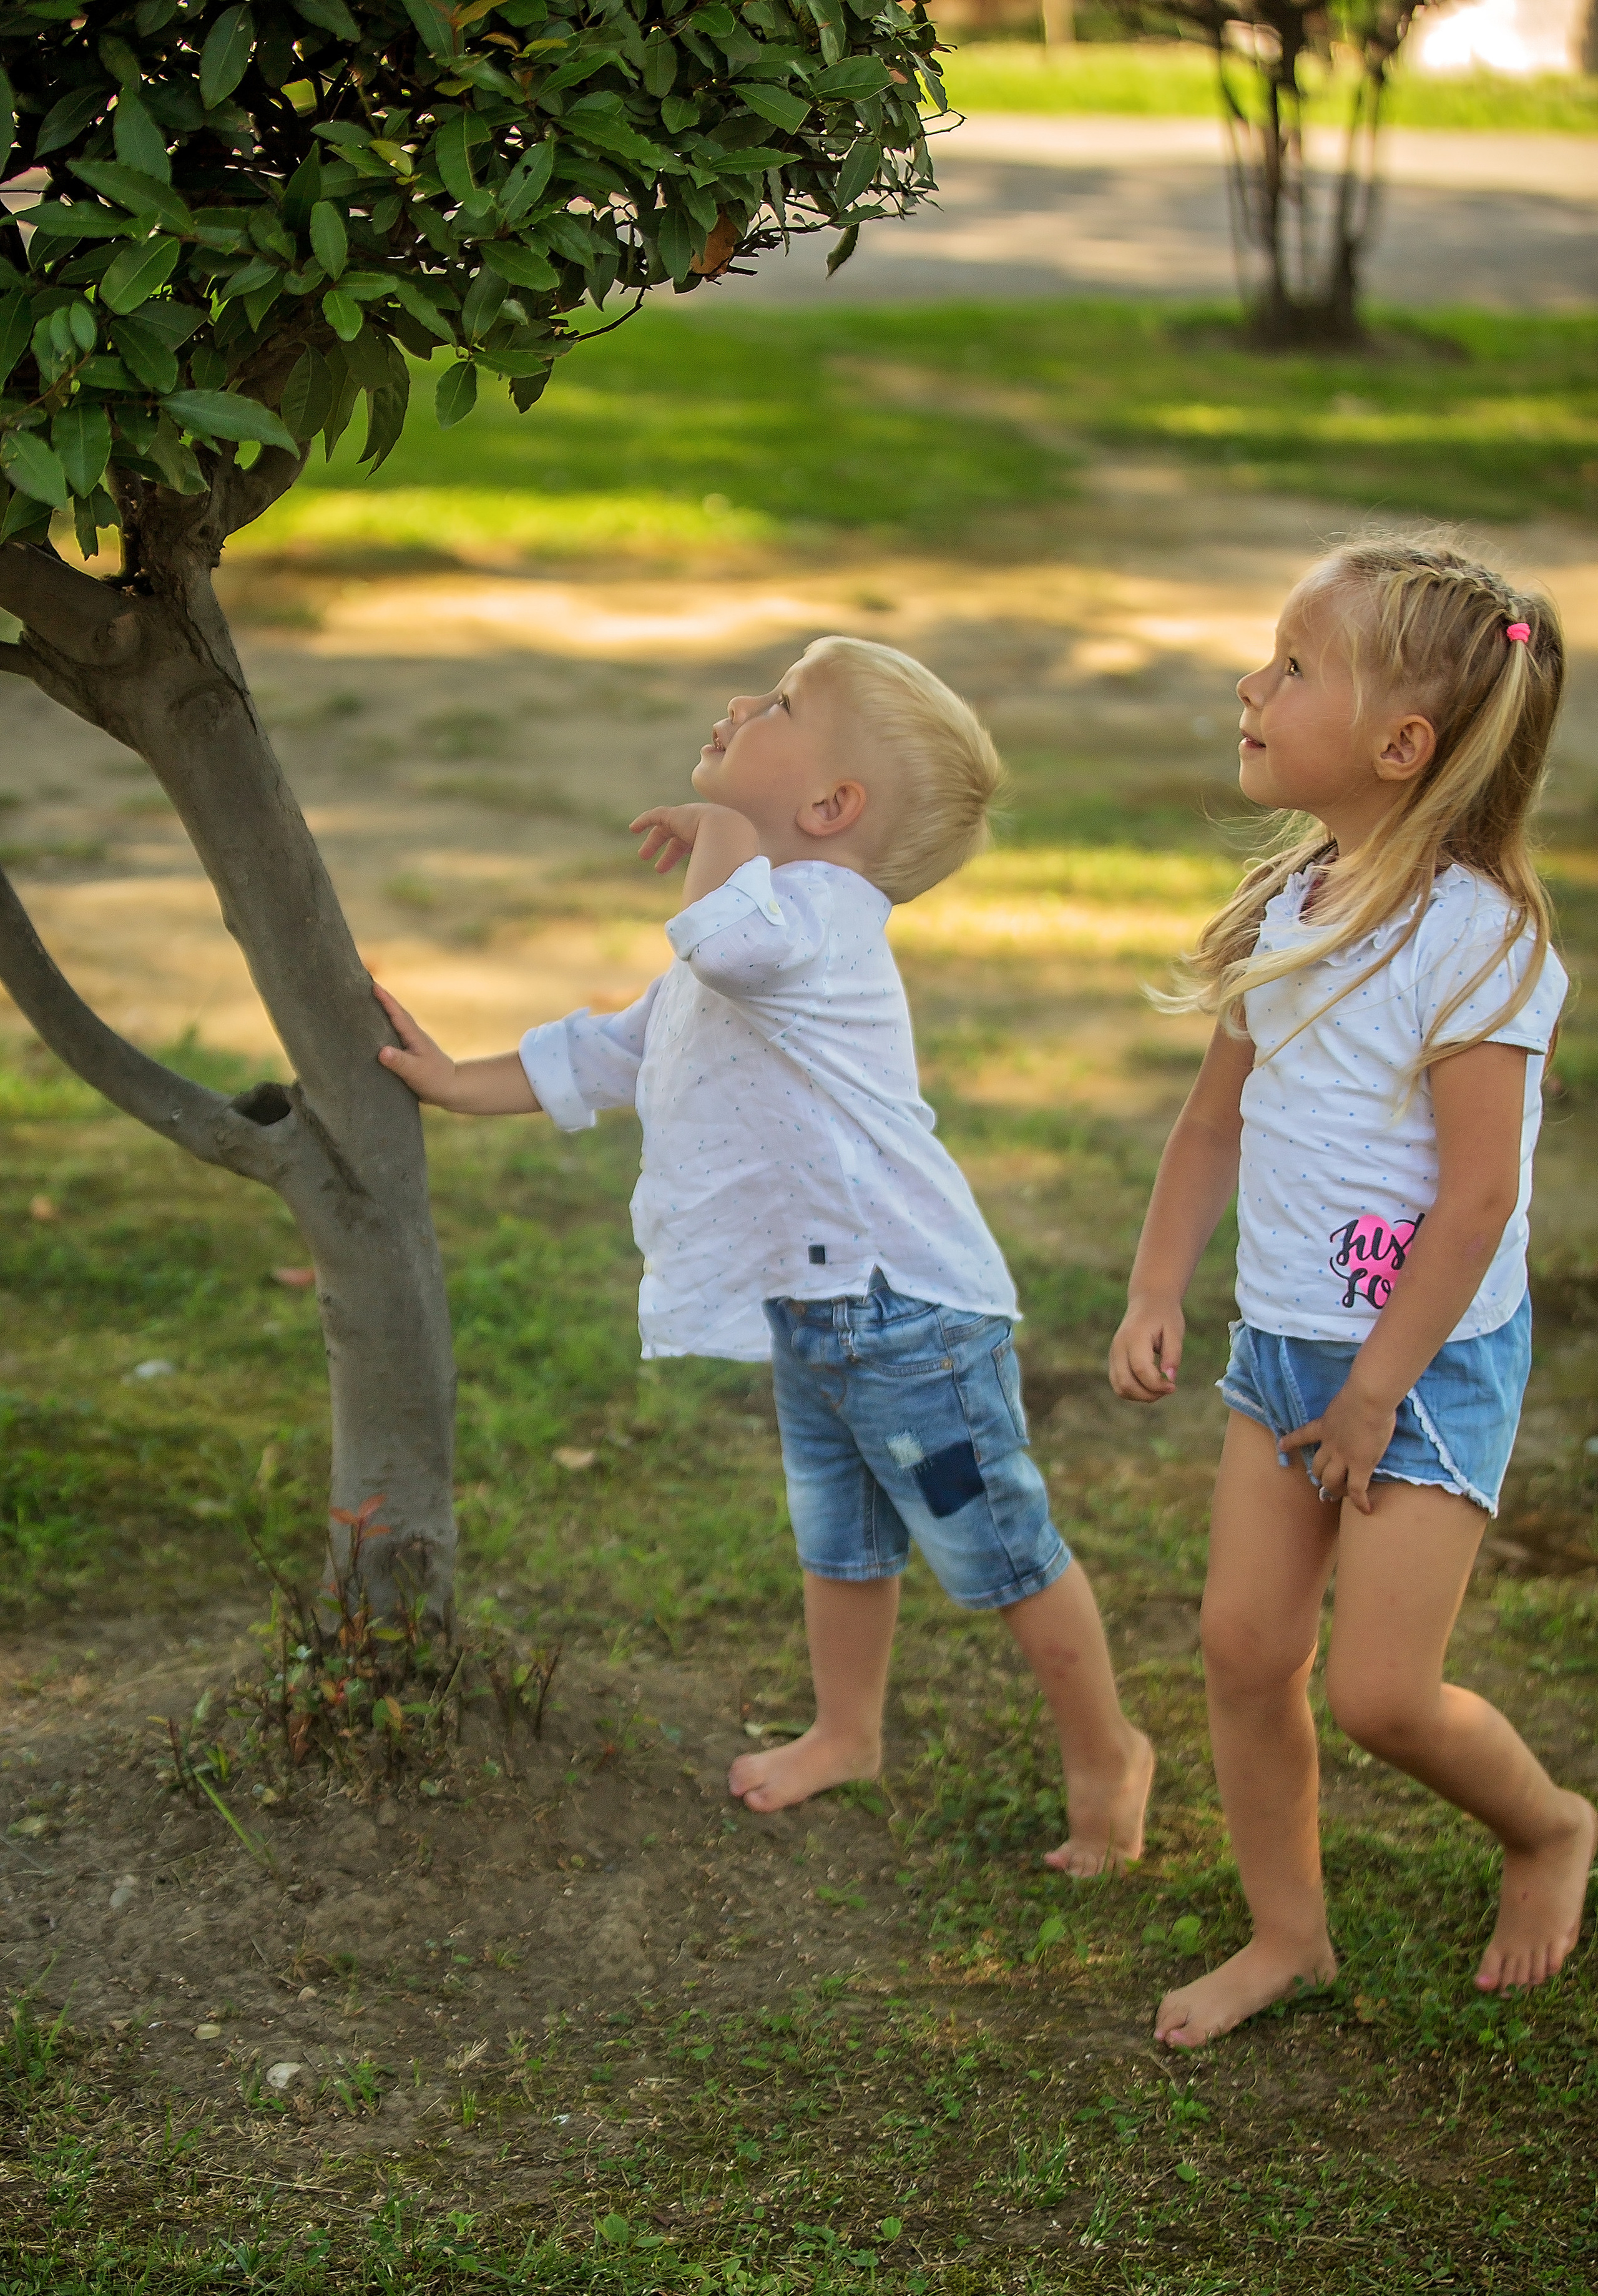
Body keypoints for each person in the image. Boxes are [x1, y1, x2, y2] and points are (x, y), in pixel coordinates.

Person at [377, 635, 1152, 1873]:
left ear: (829, 808)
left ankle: (1106, 1753)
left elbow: (723, 947)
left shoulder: (820, 922)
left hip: (905, 1315)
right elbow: (625, 1048)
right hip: (819, 1305)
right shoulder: (759, 924)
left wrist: (717, 839)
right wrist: (457, 1078)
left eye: (781, 703)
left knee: (995, 1548)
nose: (741, 702)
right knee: (836, 1535)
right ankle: (845, 1731)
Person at [1109, 537, 1594, 2048]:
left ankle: (1548, 1829)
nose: (1251, 686)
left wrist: (1376, 1388)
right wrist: (1154, 1287)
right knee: (1244, 1649)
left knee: (1384, 1694)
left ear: (1401, 747)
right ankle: (1285, 1934)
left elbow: (1474, 1203)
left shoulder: (1478, 946)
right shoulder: (1288, 904)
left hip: (1419, 1369)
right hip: (1282, 1351)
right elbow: (1211, 1122)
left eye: (1292, 667)